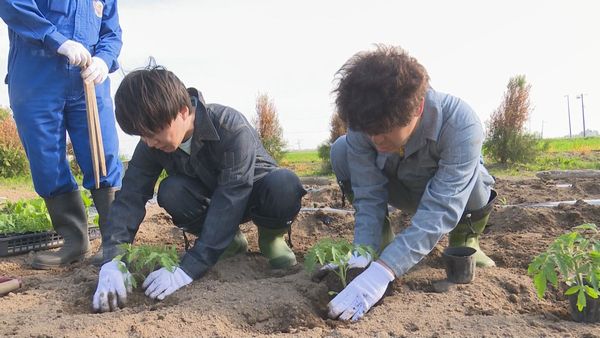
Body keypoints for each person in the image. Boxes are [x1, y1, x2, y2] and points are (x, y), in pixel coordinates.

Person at [92, 66, 306, 312]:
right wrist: (114, 258)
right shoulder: (151, 145)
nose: (149, 142)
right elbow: (130, 196)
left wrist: (188, 268)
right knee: (171, 190)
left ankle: (271, 238)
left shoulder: (230, 127)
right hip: (210, 201)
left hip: (253, 194)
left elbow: (231, 197)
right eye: (142, 136)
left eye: (153, 133)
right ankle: (231, 243)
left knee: (284, 184)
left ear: (183, 111)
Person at [325, 45, 497, 321]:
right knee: (341, 149)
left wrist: (384, 271)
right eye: (368, 132)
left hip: (454, 198)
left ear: (417, 108)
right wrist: (362, 251)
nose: (374, 140)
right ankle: (379, 243)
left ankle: (466, 239)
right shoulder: (364, 125)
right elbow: (369, 196)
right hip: (403, 190)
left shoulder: (460, 124)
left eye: (382, 132)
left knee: (476, 183)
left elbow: (440, 209)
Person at [0, 1, 123, 268]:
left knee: (102, 154)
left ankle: (115, 240)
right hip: (36, 78)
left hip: (88, 80)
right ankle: (74, 240)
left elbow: (111, 32)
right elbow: (11, 5)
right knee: (46, 161)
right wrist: (57, 40)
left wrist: (104, 58)